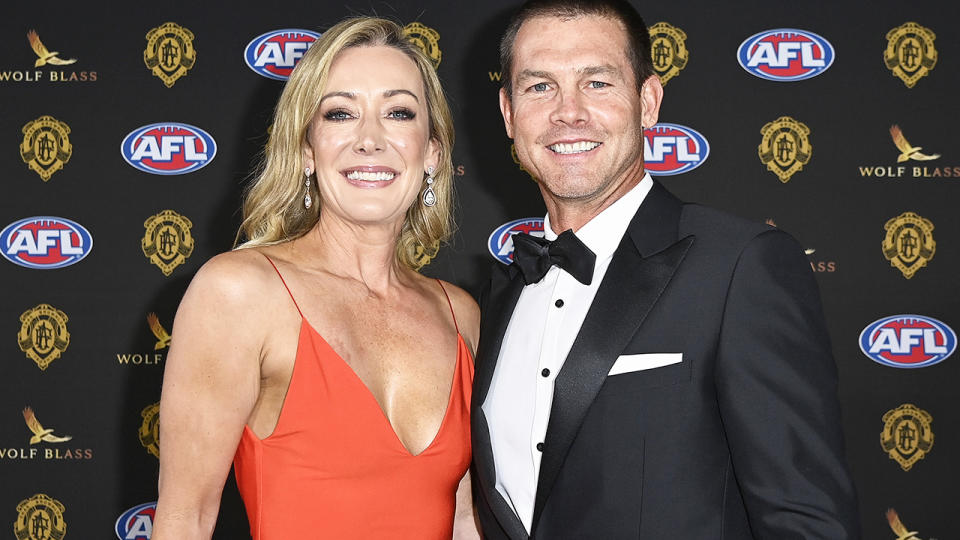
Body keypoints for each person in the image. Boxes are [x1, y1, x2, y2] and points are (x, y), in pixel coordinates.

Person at [471, 1, 861, 538]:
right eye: (540, 87)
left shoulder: (741, 267)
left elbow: (806, 520)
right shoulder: (501, 292)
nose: (568, 112)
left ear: (648, 101)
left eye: (598, 83)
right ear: (509, 112)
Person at [152, 17, 480, 540]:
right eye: (340, 114)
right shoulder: (241, 292)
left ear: (433, 153)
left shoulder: (459, 312)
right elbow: (183, 522)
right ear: (307, 150)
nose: (370, 139)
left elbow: (464, 520)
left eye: (398, 113)